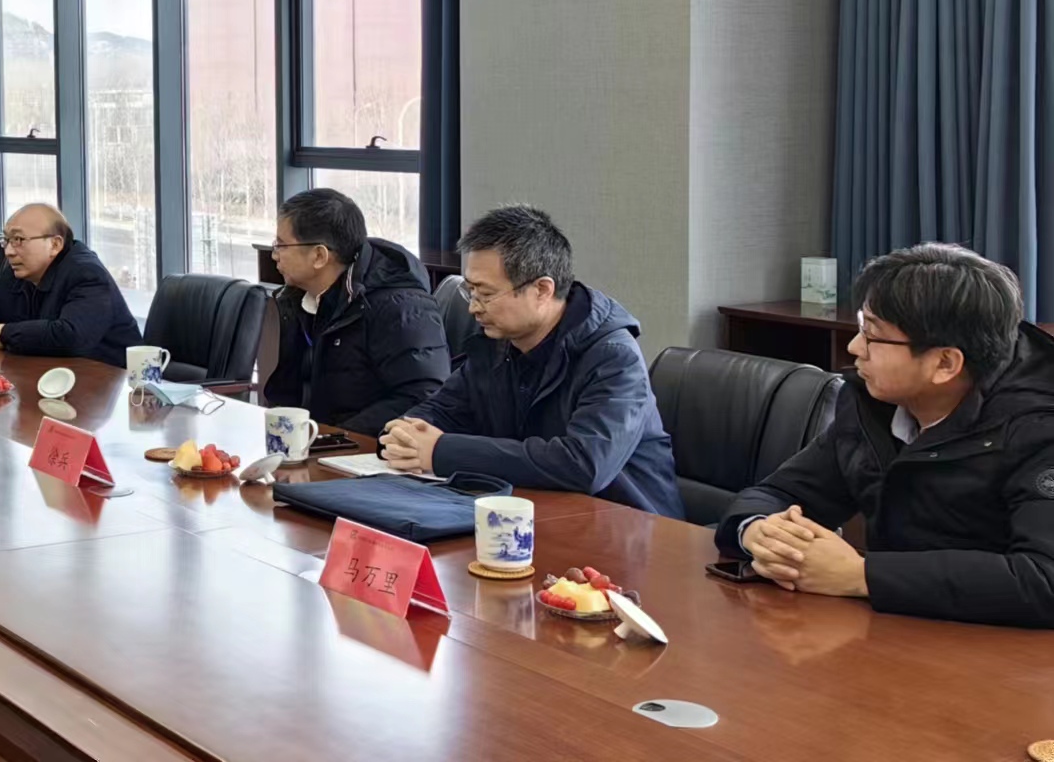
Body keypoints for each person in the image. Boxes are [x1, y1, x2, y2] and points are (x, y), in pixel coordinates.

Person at [718, 243, 1054, 627]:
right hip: (895, 630)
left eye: (872, 336)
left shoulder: (1039, 429)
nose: (854, 347)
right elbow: (779, 493)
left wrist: (860, 575)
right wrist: (758, 532)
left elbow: (1043, 579)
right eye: (862, 327)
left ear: (945, 363)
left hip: (1001, 651)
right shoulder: (872, 403)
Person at [378, 205, 680, 517]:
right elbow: (443, 409)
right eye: (471, 292)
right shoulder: (497, 343)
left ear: (542, 290)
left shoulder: (614, 357)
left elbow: (584, 464)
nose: (473, 308)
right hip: (532, 513)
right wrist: (404, 433)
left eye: (485, 294)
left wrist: (441, 451)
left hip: (629, 526)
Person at [262, 188, 449, 435]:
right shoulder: (298, 299)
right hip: (318, 441)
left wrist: (337, 438)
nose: (275, 255)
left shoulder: (400, 307)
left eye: (281, 245)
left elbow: (424, 396)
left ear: (319, 256)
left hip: (367, 447)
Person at [0, 204, 137, 367]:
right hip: (47, 373)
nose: (8, 251)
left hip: (108, 380)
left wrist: (3, 334)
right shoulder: (20, 272)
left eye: (18, 239)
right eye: (6, 240)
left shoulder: (87, 274)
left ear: (55, 244)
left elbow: (70, 337)